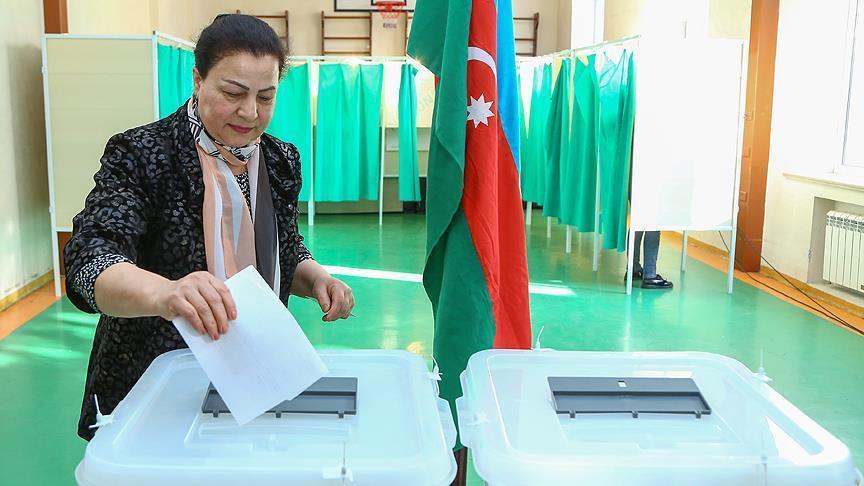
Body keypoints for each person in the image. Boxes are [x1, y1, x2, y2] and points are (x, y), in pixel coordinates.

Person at [64, 14, 354, 440]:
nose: (250, 113)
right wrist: (167, 293)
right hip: (156, 374)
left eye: (266, 97)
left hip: (253, 371)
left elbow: (284, 248)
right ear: (198, 80)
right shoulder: (143, 153)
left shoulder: (280, 161)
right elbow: (91, 259)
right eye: (233, 93)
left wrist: (317, 279)